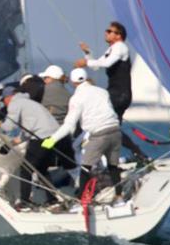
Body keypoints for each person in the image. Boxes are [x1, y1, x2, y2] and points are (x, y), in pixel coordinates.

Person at [42, 68, 124, 204]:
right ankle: (119, 197)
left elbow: (69, 126)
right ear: (86, 78)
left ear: (73, 82)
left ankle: (81, 201)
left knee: (86, 167)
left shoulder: (76, 98)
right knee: (113, 166)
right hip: (115, 131)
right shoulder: (102, 92)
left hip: (98, 135)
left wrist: (52, 139)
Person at [75, 21, 148, 162]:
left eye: (110, 31)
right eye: (107, 30)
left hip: (119, 94)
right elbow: (97, 66)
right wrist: (88, 53)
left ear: (118, 35)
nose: (106, 33)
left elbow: (106, 64)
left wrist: (86, 63)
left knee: (106, 126)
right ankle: (138, 154)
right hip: (115, 93)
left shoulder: (120, 47)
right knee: (113, 129)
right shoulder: (112, 49)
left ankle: (104, 158)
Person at [0, 86, 60, 210]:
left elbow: (9, 127)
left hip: (41, 137)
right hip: (53, 137)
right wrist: (11, 144)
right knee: (41, 168)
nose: (3, 103)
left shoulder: (15, 104)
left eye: (3, 100)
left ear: (9, 97)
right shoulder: (29, 102)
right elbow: (29, 130)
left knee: (26, 168)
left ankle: (25, 202)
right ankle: (53, 200)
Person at [39, 64, 76, 170]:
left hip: (47, 134)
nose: (44, 80)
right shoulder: (68, 94)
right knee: (69, 162)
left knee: (40, 161)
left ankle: (43, 182)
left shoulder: (43, 91)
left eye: (45, 78)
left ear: (51, 78)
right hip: (64, 133)